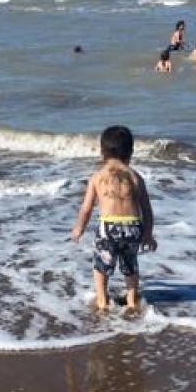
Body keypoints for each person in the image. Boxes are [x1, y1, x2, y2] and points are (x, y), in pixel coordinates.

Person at [71, 126, 157, 311]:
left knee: (102, 265)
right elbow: (147, 209)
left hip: (108, 228)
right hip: (133, 227)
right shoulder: (136, 177)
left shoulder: (97, 177)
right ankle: (132, 298)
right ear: (131, 152)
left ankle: (102, 300)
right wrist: (148, 234)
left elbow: (86, 208)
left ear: (102, 152)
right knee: (130, 263)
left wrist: (79, 228)